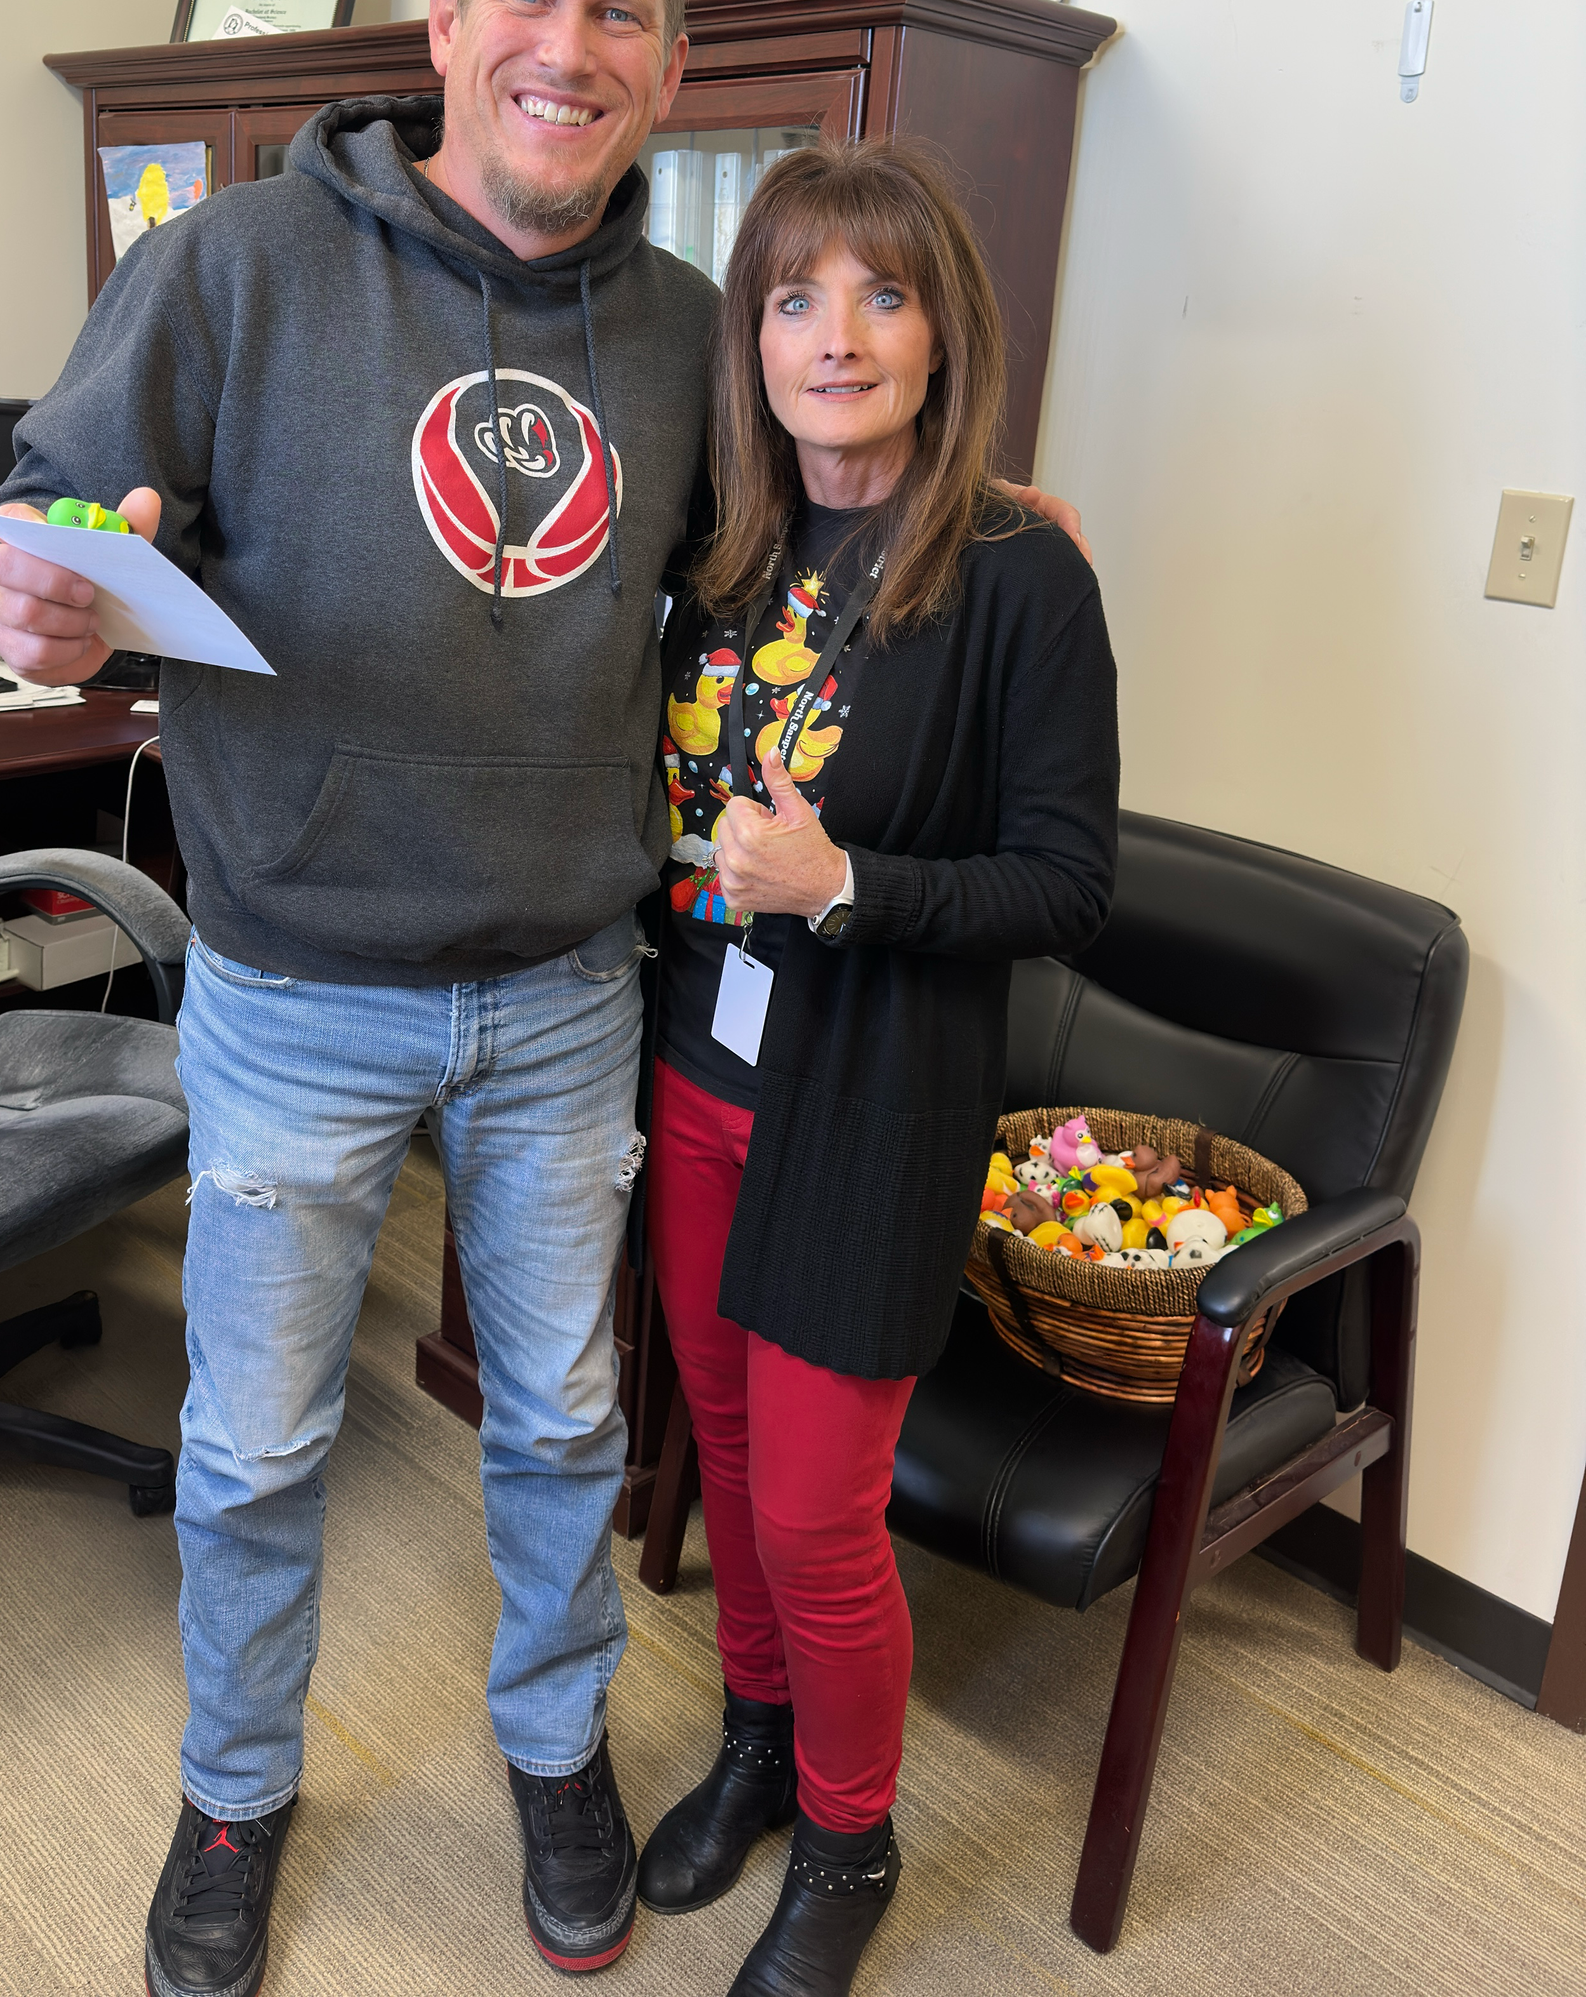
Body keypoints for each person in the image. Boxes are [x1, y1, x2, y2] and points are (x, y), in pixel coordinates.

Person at [0, 0, 1087, 1995]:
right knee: (258, 1436)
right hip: (294, 986)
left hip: (574, 992)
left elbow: (770, 583)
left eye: (621, 14)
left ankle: (556, 1743)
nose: (567, 47)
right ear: (445, 26)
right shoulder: (232, 266)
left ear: (671, 69)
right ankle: (232, 1785)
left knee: (570, 1421)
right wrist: (36, 584)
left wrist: (978, 498)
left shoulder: (695, 334)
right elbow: (55, 515)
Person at [635, 138, 1117, 1997]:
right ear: (750, 336)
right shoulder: (726, 548)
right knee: (731, 1452)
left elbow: (1070, 886)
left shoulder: (1016, 576)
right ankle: (760, 1743)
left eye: (883, 294)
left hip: (877, 1107)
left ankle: (851, 1836)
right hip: (696, 1074)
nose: (837, 336)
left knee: (817, 1513)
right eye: (793, 296)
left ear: (943, 330)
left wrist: (848, 887)